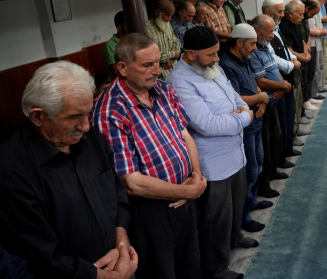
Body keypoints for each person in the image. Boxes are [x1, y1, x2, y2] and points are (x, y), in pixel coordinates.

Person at [0, 61, 137, 279]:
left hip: (120, 263)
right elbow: (39, 254)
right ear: (38, 117)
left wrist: (122, 244)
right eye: (74, 116)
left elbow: (117, 196)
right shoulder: (11, 171)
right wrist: (102, 276)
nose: (85, 126)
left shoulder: (92, 139)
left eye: (87, 113)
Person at [93, 33, 206, 279]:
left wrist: (195, 177)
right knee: (161, 272)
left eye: (157, 62)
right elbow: (130, 182)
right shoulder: (110, 110)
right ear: (122, 68)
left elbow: (185, 135)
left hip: (185, 195)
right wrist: (187, 191)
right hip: (150, 210)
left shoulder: (163, 89)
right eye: (147, 65)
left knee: (189, 265)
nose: (157, 70)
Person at [166, 27, 256, 279]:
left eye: (218, 52)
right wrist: (244, 119)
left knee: (234, 206)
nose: (218, 58)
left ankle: (235, 238)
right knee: (213, 219)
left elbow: (235, 96)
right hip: (212, 162)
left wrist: (240, 111)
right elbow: (206, 125)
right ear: (191, 54)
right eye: (211, 54)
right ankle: (216, 268)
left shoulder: (212, 67)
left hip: (234, 153)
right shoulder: (179, 81)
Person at [219, 24, 273, 233]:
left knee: (258, 164)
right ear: (239, 43)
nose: (254, 48)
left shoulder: (244, 59)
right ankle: (244, 217)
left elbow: (254, 84)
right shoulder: (226, 64)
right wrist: (259, 98)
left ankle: (251, 202)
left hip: (256, 119)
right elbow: (233, 98)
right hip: (245, 126)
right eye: (251, 44)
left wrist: (262, 100)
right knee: (249, 172)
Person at [248, 15, 295, 193]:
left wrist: (283, 86)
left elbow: (275, 69)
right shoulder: (253, 52)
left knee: (276, 139)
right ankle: (264, 183)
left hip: (274, 101)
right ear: (257, 31)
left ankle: (273, 171)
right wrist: (282, 85)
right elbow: (261, 81)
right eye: (269, 32)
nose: (272, 36)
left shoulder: (266, 47)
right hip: (263, 105)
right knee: (265, 146)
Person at [261, 0, 301, 167]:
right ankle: (281, 157)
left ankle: (288, 149)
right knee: (281, 123)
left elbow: (286, 49)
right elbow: (272, 58)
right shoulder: (264, 29)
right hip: (278, 83)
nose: (283, 14)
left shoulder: (276, 28)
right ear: (268, 11)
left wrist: (293, 60)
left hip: (286, 79)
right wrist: (291, 65)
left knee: (289, 118)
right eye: (280, 11)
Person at [279, 0, 312, 141]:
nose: (302, 17)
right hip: (293, 66)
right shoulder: (284, 26)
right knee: (295, 100)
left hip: (300, 62)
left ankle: (297, 128)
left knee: (299, 98)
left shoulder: (295, 23)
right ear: (290, 14)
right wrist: (304, 58)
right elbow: (289, 49)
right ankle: (293, 133)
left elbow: (302, 41)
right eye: (300, 14)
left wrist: (306, 52)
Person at [146, 0, 181, 80]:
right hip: (160, 76)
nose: (170, 19)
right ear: (157, 12)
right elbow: (152, 57)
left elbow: (176, 43)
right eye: (168, 15)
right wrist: (173, 54)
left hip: (174, 71)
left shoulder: (167, 24)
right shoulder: (147, 29)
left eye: (171, 15)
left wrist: (172, 59)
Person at [301, 0, 322, 113]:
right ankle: (305, 100)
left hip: (309, 46)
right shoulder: (301, 16)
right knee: (306, 75)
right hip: (304, 49)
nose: (312, 16)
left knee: (311, 73)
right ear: (307, 8)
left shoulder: (306, 17)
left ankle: (308, 97)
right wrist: (307, 48)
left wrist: (308, 47)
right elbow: (304, 34)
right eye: (313, 13)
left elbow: (308, 33)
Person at [309, 0, 327, 102]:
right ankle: (314, 93)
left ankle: (318, 88)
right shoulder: (313, 8)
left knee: (320, 66)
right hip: (314, 42)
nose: (324, 2)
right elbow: (313, 26)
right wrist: (320, 31)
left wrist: (321, 30)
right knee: (315, 69)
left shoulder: (319, 9)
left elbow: (320, 22)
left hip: (319, 41)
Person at [103, 10, 128, 80]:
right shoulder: (110, 45)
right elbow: (117, 73)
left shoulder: (131, 40)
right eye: (127, 26)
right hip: (121, 84)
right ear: (119, 28)